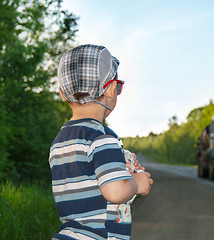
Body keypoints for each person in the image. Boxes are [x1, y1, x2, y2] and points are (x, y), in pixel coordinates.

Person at [49, 44, 153, 240]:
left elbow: (89, 187)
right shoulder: (102, 138)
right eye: (118, 87)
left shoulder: (59, 142)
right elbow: (114, 192)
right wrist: (136, 184)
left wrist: (122, 172)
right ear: (112, 89)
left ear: (62, 93)